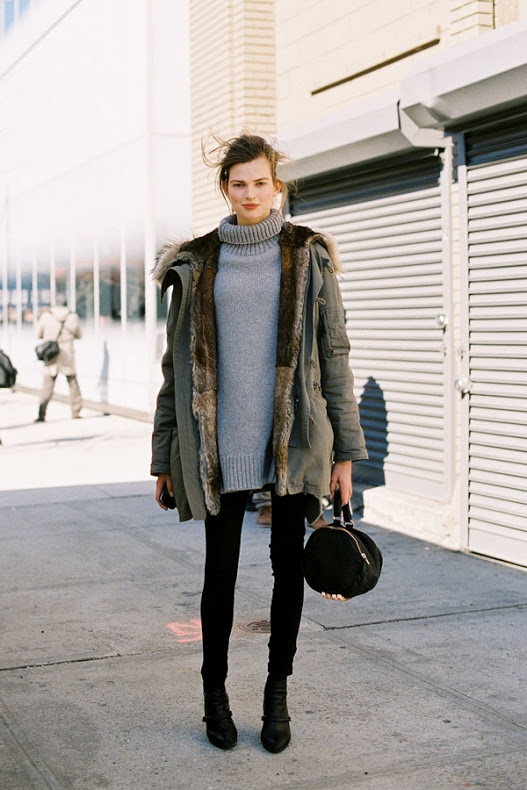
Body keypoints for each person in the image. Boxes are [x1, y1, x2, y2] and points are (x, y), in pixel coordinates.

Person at [150, 133, 368, 753]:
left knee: (286, 571)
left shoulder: (308, 255)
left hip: (293, 443)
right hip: (218, 447)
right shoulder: (197, 263)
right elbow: (175, 370)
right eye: (239, 184)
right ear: (225, 188)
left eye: (261, 183)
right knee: (218, 574)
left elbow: (334, 356)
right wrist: (164, 456)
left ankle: (277, 693)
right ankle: (214, 695)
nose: (251, 194)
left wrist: (345, 454)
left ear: (277, 186)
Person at [35, 294, 83, 421]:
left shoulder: (46, 316)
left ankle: (41, 413)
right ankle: (76, 411)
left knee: (48, 383)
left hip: (51, 352)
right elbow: (79, 335)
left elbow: (38, 333)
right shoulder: (72, 316)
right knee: (72, 382)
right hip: (67, 352)